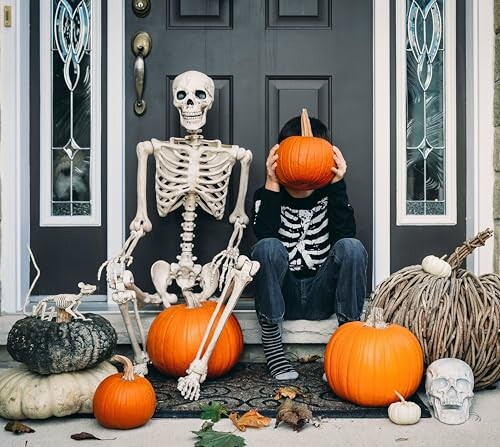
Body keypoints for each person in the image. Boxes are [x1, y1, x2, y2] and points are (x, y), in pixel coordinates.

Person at [251, 115, 368, 380]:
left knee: (352, 246)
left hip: (321, 294)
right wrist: (271, 182)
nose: (304, 159)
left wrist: (337, 186)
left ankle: (346, 344)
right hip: (284, 294)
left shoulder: (330, 194)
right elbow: (264, 236)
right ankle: (273, 346)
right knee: (267, 247)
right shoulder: (267, 195)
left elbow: (345, 236)